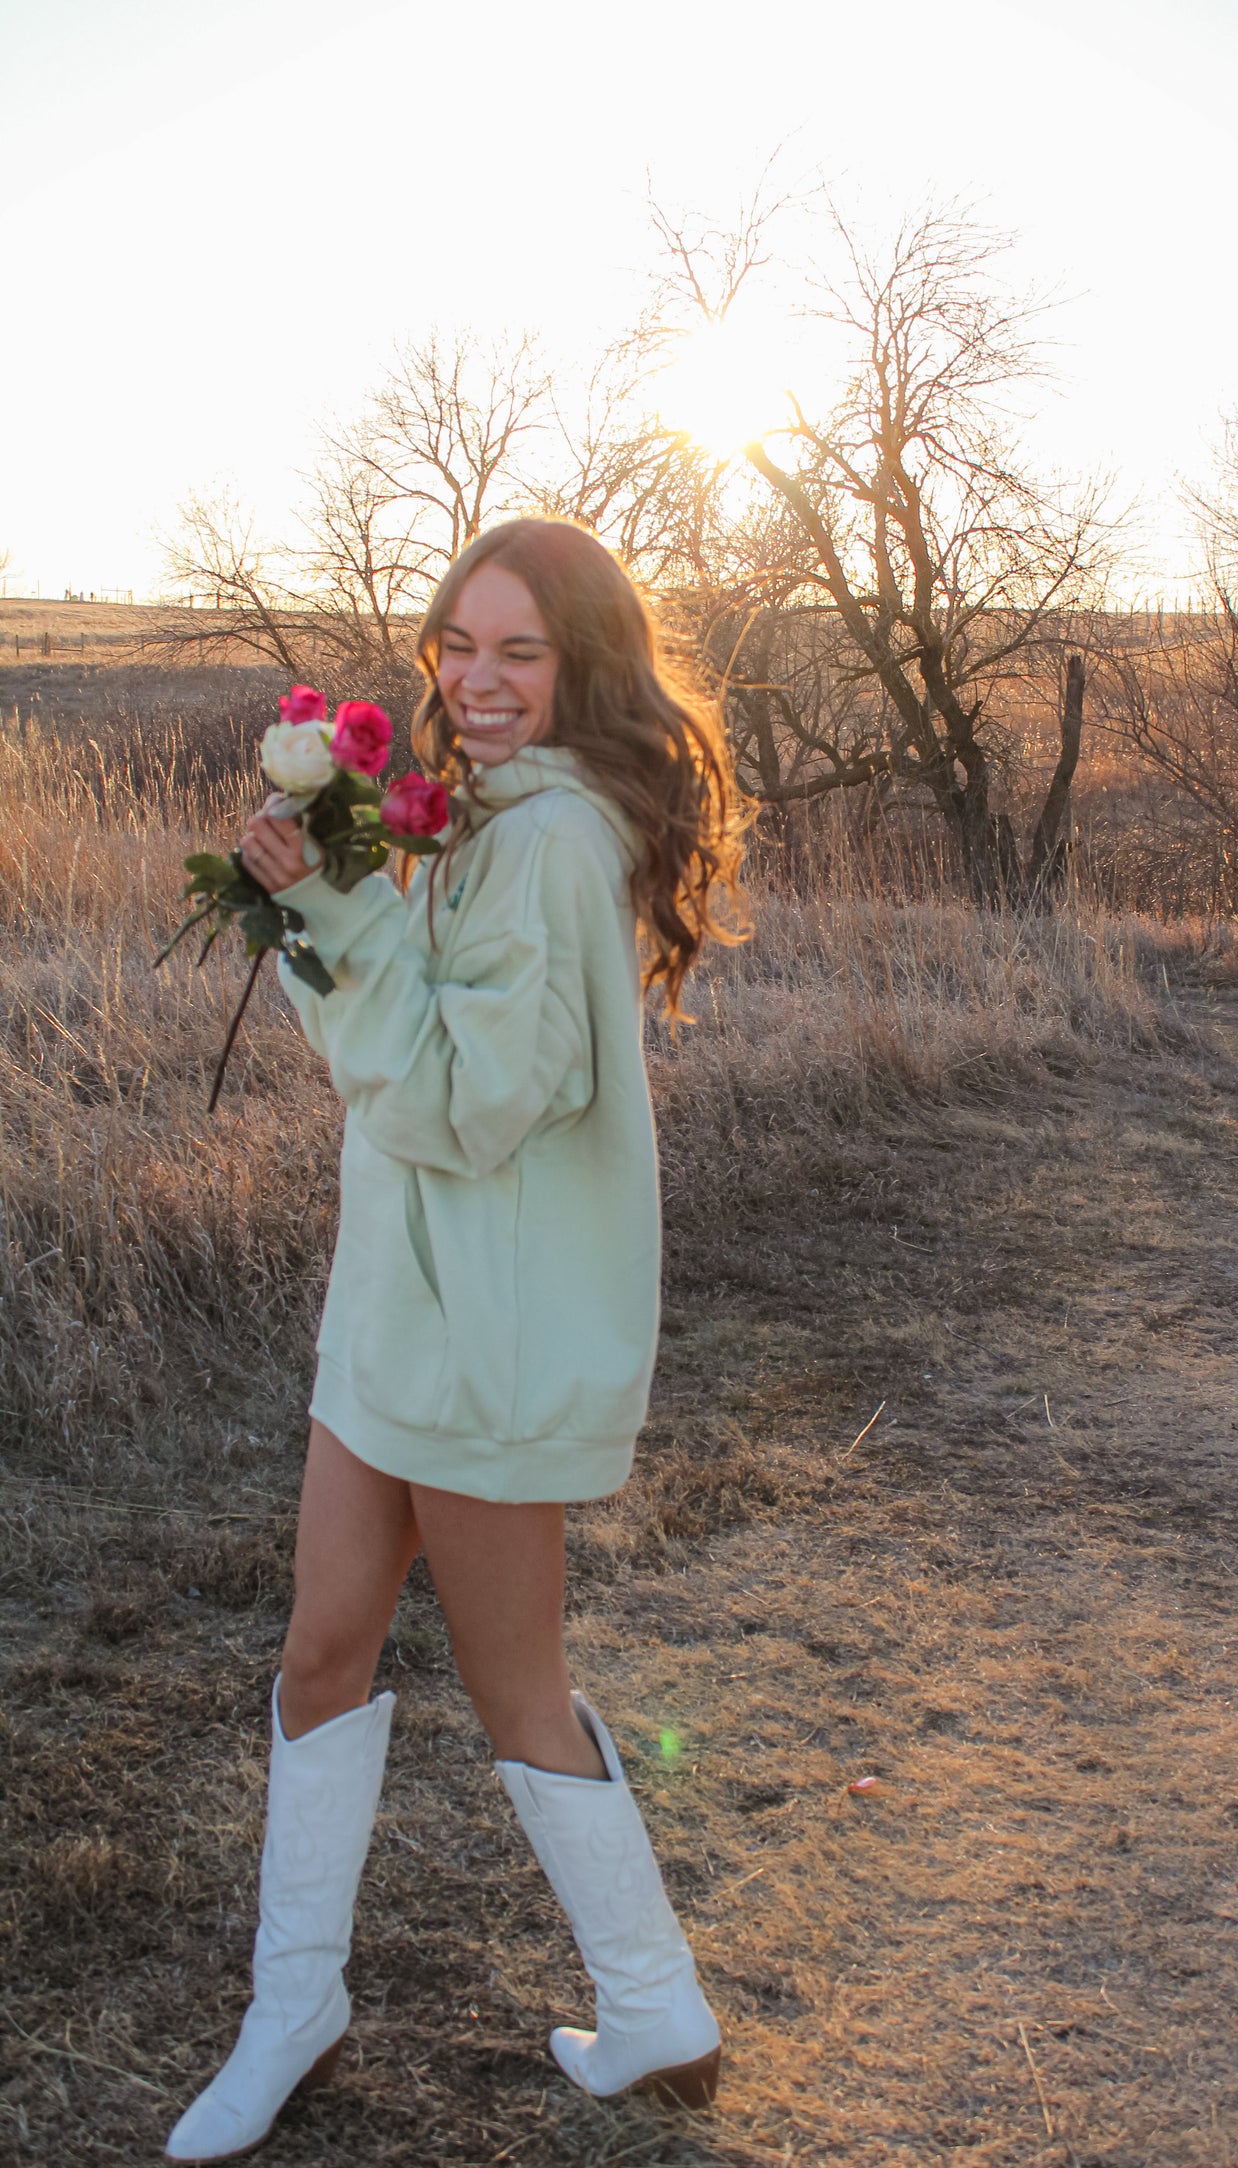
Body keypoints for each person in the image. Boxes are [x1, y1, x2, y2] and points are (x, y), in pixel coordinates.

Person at [163, 519, 747, 2165]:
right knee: (318, 1651)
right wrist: (330, 887)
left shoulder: (553, 838)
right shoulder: (478, 814)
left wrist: (334, 916)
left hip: (488, 1332)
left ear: (582, 671)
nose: (475, 686)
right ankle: (297, 2009)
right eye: (457, 646)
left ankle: (651, 2005)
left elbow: (460, 1102)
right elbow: (416, 1030)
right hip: (400, 1310)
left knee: (515, 1685)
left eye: (520, 655)